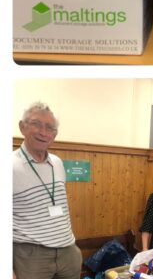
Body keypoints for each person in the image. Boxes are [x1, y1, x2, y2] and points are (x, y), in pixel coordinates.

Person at [13, 102, 82, 279]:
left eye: (49, 128)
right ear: (22, 127)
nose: (43, 132)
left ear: (54, 134)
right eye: (36, 124)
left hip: (68, 252)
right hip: (31, 256)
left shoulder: (57, 163)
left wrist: (72, 250)